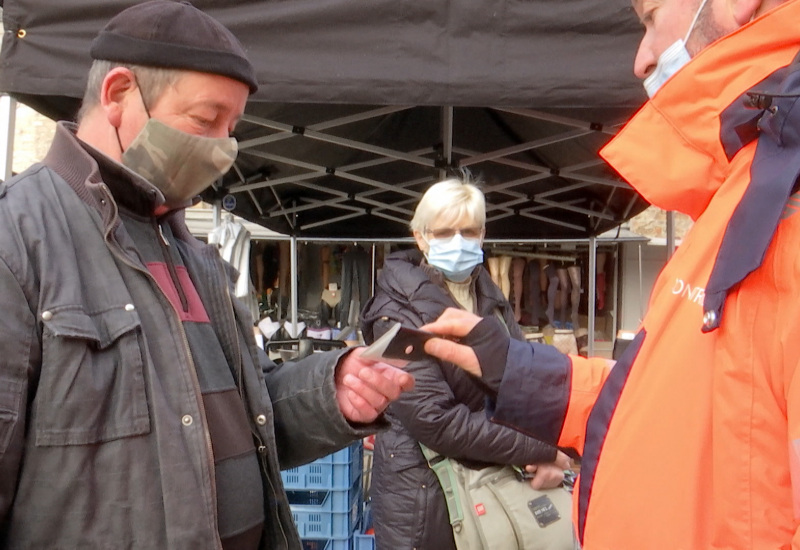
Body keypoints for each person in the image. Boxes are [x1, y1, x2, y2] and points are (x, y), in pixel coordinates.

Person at [0, 2, 414, 548]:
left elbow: (252, 410)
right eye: (205, 119)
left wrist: (331, 390)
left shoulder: (193, 253)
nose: (223, 147)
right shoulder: (18, 237)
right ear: (119, 93)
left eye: (231, 126)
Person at [418, 0, 800, 548]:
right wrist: (511, 367)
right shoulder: (746, 199)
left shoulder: (776, 208)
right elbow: (664, 402)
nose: (642, 60)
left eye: (650, 17)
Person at [360, 177, 573, 550]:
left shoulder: (489, 294)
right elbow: (436, 421)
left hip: (493, 491)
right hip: (425, 501)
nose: (458, 243)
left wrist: (553, 445)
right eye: (444, 232)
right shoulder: (392, 312)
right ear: (420, 236)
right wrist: (541, 448)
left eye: (469, 231)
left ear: (483, 234)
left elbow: (523, 380)